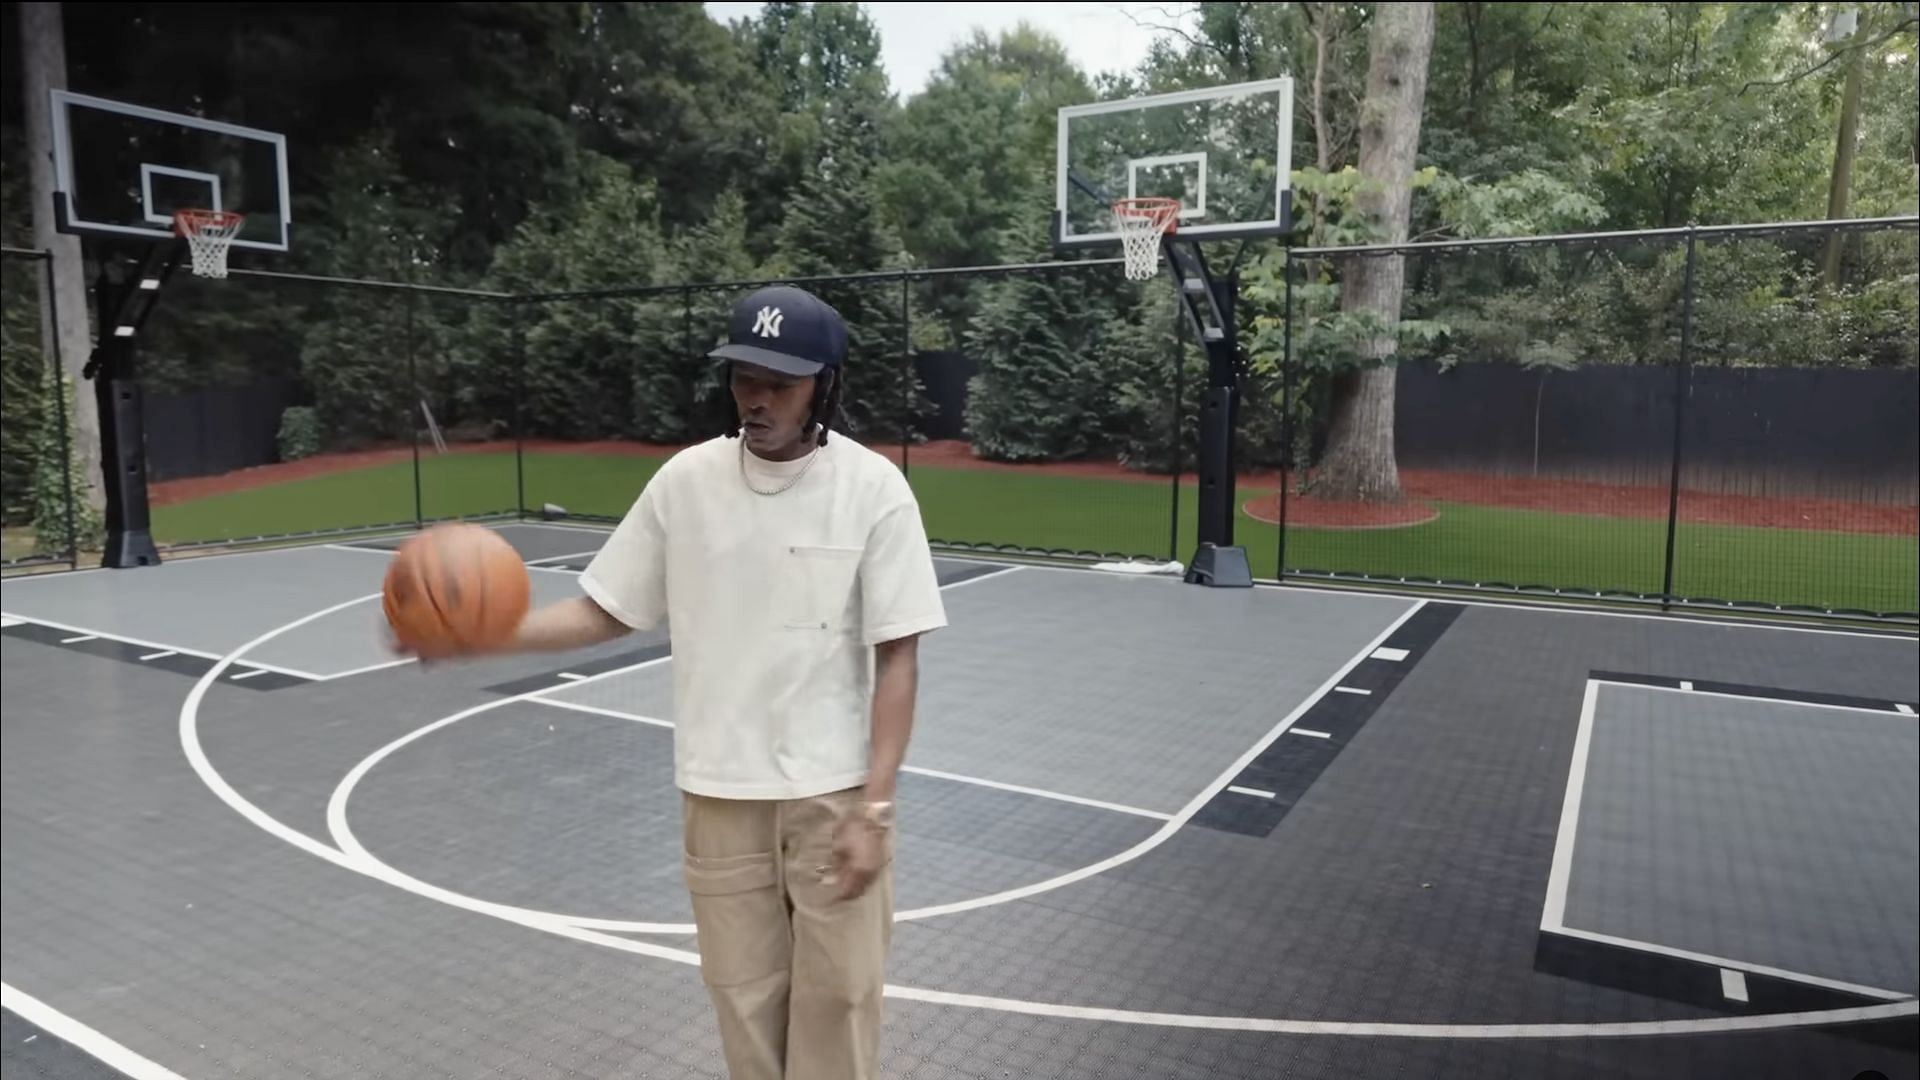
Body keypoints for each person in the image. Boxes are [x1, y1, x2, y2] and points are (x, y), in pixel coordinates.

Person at [424, 285, 947, 1078]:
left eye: (781, 382)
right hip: (719, 795)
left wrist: (875, 803)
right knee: (744, 1002)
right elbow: (605, 611)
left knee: (839, 1001)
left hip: (831, 794)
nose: (758, 398)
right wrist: (482, 632)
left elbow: (898, 655)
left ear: (826, 386)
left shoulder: (873, 492)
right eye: (744, 377)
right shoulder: (686, 483)